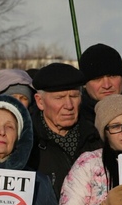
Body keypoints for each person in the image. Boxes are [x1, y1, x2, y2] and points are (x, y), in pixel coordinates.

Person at [28, 62, 102, 193]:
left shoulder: (97, 138)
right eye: (59, 98)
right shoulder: (27, 145)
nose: (69, 105)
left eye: (74, 96)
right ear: (40, 101)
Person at [77, 42, 122, 126]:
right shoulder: (74, 123)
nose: (106, 85)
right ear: (85, 83)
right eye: (97, 79)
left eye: (112, 76)